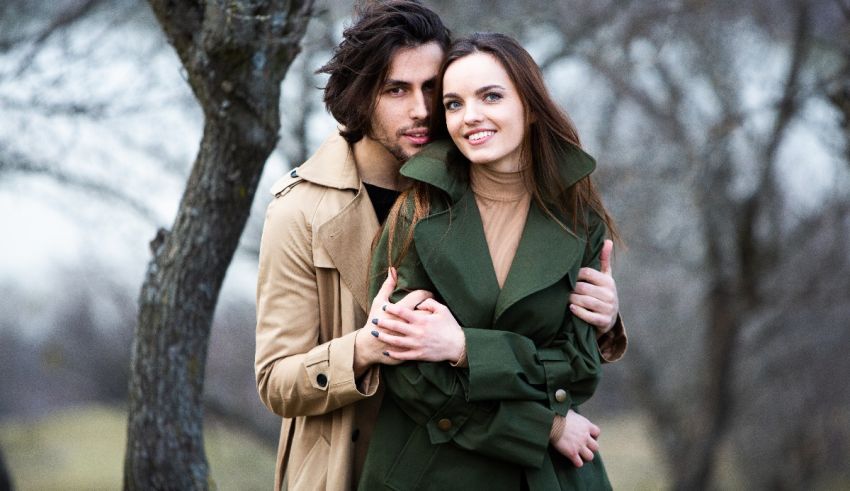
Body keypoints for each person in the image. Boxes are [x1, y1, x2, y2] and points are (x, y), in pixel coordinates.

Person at [254, 2, 625, 490]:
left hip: (492, 458)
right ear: (361, 96)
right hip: (359, 463)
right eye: (396, 90)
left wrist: (603, 317)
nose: (421, 109)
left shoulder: (495, 178)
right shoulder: (300, 211)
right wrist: (365, 348)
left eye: (434, 89)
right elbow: (276, 381)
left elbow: (536, 332)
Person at [359, 32, 621, 490]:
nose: (470, 117)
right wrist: (544, 426)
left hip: (549, 477)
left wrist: (464, 349)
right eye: (454, 104)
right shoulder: (419, 210)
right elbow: (413, 377)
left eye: (491, 96)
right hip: (434, 470)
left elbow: (577, 372)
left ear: (532, 106)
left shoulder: (580, 219)